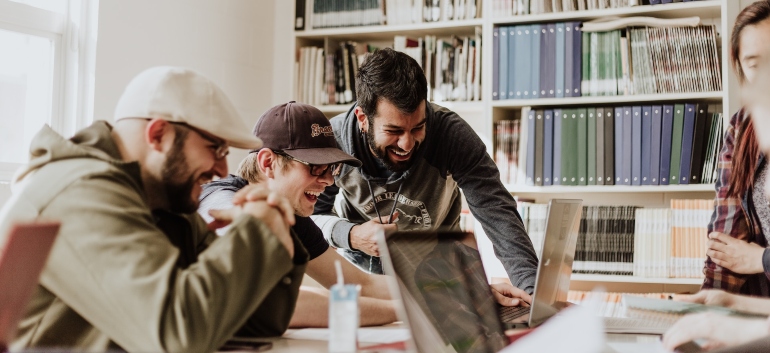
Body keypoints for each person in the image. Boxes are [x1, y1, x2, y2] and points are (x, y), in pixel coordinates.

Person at [0, 67, 307, 352]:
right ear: (158, 134)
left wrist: (276, 231)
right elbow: (176, 336)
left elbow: (254, 324)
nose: (222, 168)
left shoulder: (163, 201)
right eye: (215, 148)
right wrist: (256, 232)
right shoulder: (81, 193)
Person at [311, 48, 538, 299]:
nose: (407, 144)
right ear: (363, 118)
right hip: (363, 280)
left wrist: (532, 294)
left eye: (418, 127)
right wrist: (351, 235)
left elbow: (497, 212)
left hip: (440, 274)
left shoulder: (451, 134)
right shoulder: (333, 141)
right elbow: (310, 217)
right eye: (394, 131)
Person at [198, 101, 398, 327]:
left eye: (331, 168)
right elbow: (273, 302)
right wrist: (403, 311)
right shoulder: (220, 201)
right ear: (268, 163)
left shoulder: (292, 217)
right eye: (315, 167)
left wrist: (431, 294)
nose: (329, 181)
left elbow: (359, 284)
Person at [703, 0, 770, 296]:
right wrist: (709, 303)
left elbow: (747, 257)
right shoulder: (743, 128)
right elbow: (725, 243)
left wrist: (760, 259)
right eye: (755, 65)